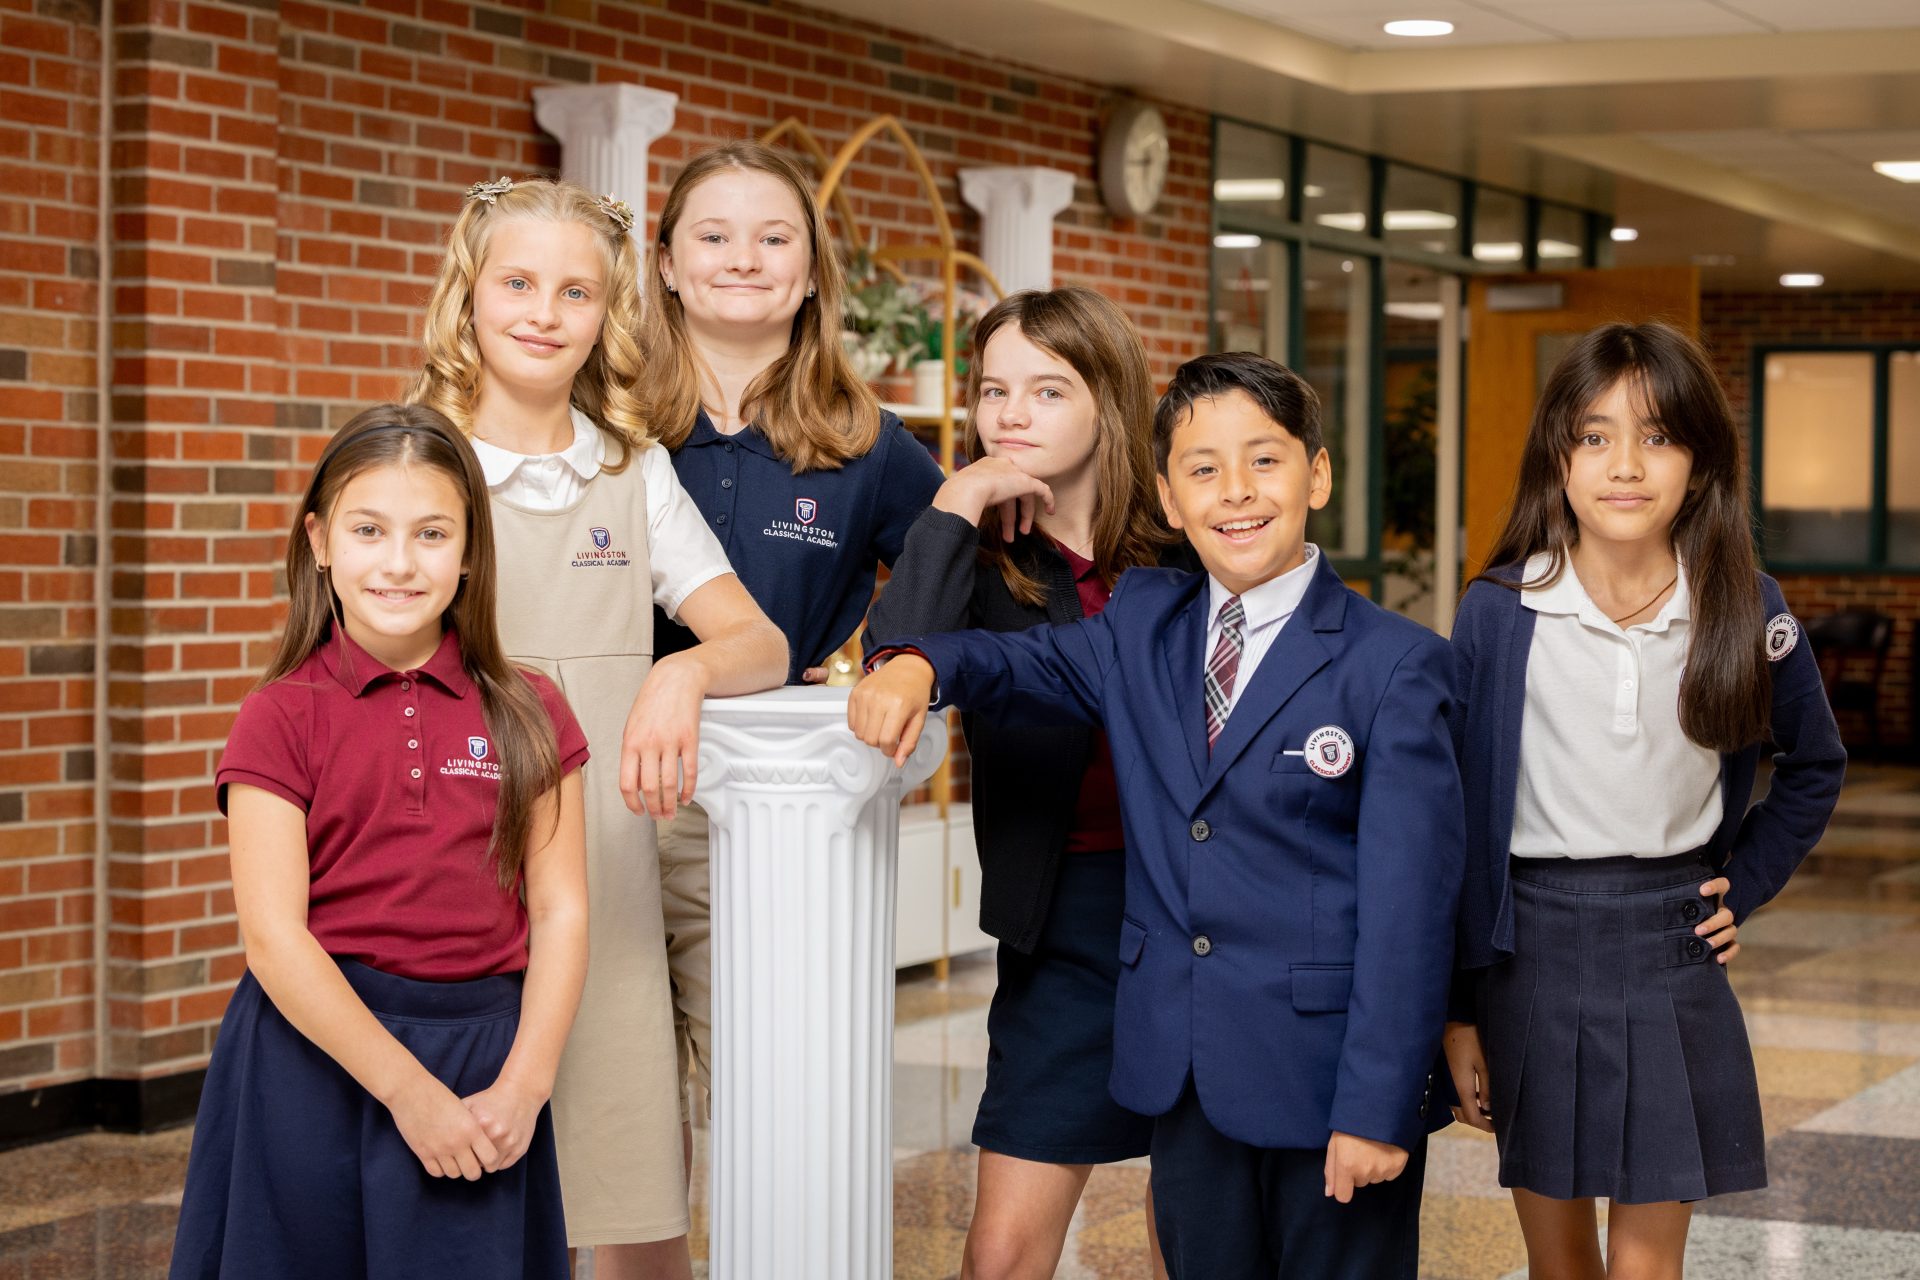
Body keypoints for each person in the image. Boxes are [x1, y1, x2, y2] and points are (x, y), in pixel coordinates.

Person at [852, 351, 1464, 1279]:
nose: (1237, 493)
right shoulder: (1143, 622)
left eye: (1265, 460)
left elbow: (1410, 913)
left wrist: (1379, 1107)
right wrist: (919, 665)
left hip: (1326, 1081)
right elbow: (1016, 665)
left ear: (1318, 473)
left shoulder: (1397, 665)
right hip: (1184, 1077)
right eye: (1203, 469)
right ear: (1170, 501)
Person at [411, 175, 788, 1279]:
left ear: (608, 311)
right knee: (459, 1179)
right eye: (517, 283)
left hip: (607, 874)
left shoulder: (632, 471)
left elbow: (757, 642)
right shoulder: (414, 457)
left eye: (576, 291)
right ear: (467, 298)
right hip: (445, 861)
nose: (542, 311)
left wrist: (683, 675)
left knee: (627, 1190)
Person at [1441, 321, 1846, 1280]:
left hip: (1668, 948)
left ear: (1700, 460)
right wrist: (1455, 1012)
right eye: (1594, 436)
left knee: (1645, 1269)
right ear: (1559, 456)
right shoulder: (1500, 611)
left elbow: (1814, 766)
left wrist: (1737, 888)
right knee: (1561, 1266)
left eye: (1658, 436)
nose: (1626, 465)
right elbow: (1453, 827)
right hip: (1527, 954)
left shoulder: (1747, 607)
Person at [169, 405, 588, 1279]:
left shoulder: (530, 712)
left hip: (483, 1065)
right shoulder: (278, 716)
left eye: (432, 533)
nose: (399, 562)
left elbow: (561, 909)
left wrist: (527, 1084)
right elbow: (275, 940)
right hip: (311, 1058)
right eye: (369, 530)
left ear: (471, 548)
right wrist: (408, 1094)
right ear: (321, 540)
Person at [634, 141, 944, 1166]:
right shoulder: (606, 421)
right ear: (667, 261)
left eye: (775, 239)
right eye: (712, 236)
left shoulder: (868, 443)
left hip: (760, 803)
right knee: (629, 1141)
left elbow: (966, 584)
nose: (743, 258)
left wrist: (893, 659)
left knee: (766, 1116)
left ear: (811, 272)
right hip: (595, 790)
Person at [865, 287, 1180, 1280]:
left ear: (1109, 402)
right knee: (1000, 1255)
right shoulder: (983, 559)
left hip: (1199, 911)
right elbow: (892, 664)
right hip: (1065, 924)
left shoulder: (1182, 544)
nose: (1011, 412)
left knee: (1203, 1235)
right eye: (994, 389)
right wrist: (954, 503)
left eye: (1047, 389)